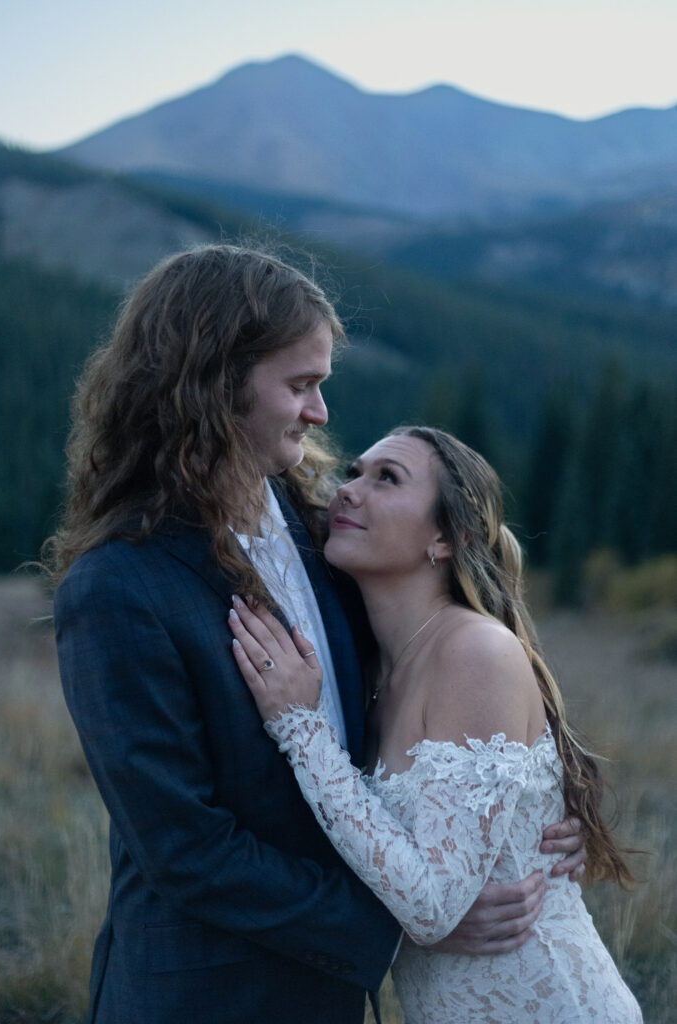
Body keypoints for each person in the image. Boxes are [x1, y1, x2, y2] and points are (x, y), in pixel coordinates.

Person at [49, 244, 584, 1024]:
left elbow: (425, 700)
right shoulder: (118, 586)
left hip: (334, 1000)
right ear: (212, 382)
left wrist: (530, 818)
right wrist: (399, 928)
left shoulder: (325, 535)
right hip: (205, 996)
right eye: (300, 385)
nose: (320, 413)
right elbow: (186, 850)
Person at [230, 426, 643, 1023]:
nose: (349, 491)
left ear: (446, 538)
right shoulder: (375, 668)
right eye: (355, 472)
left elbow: (431, 908)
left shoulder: (475, 652)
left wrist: (300, 727)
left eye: (387, 478)